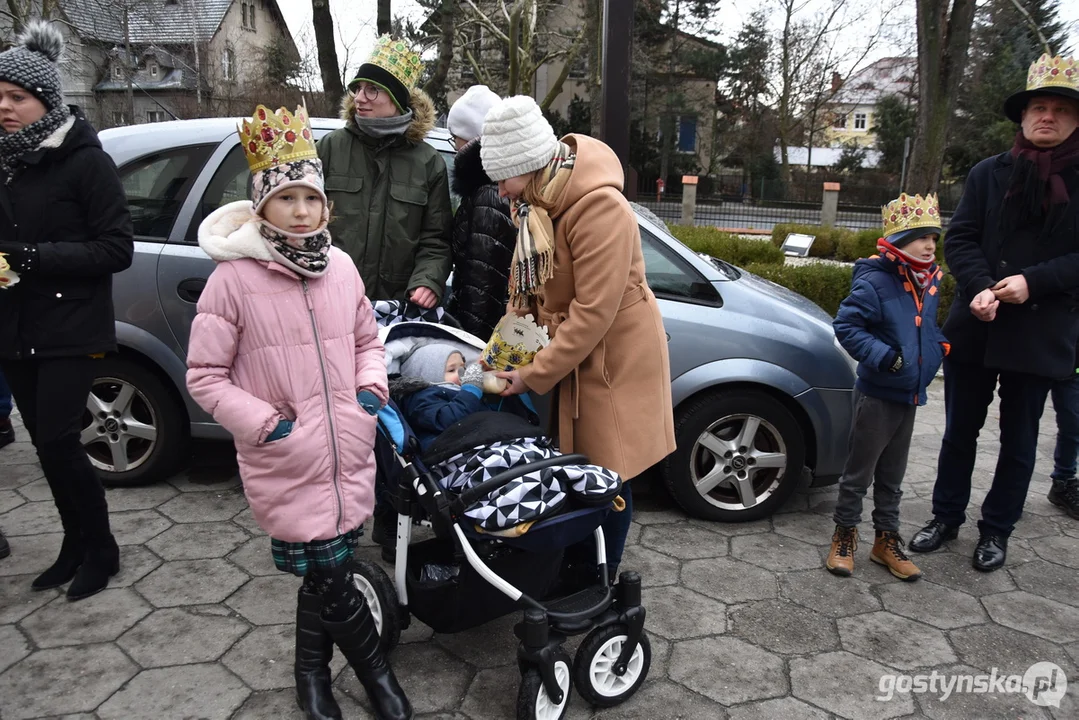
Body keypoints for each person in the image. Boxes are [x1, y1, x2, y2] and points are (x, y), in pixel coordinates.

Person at [186, 103, 411, 720]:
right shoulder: (232, 282)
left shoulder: (339, 268)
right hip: (287, 455)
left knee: (325, 576)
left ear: (326, 206)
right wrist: (268, 424)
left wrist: (370, 392)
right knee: (333, 576)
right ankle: (376, 675)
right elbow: (205, 376)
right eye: (288, 199)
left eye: (312, 198)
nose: (303, 211)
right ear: (263, 206)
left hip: (348, 451)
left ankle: (311, 676)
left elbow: (368, 341)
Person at [480, 96, 676, 578]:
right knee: (579, 469)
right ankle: (578, 561)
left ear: (526, 166)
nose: (500, 191)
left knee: (610, 473)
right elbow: (523, 293)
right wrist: (500, 355)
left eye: (503, 177)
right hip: (577, 353)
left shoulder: (598, 207)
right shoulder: (534, 205)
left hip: (615, 359)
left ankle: (598, 579)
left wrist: (531, 374)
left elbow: (593, 313)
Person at [909, 52, 1079, 572]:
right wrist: (980, 286)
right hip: (976, 325)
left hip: (1040, 331)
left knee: (1020, 440)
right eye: (1037, 107)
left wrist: (1033, 282)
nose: (1046, 116)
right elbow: (959, 236)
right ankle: (945, 516)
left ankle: (997, 529)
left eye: (1059, 109)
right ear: (1023, 117)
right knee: (960, 429)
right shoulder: (989, 173)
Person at [0, 22, 133, 600]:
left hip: (71, 324)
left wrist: (28, 257)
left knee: (58, 439)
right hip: (13, 326)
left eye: (16, 97)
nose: (3, 107)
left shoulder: (85, 161)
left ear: (46, 101)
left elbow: (115, 249)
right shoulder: (6, 164)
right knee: (44, 443)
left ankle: (100, 547)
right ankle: (73, 542)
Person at [826, 193, 948, 581]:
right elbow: (846, 326)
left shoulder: (929, 282)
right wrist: (886, 358)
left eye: (934, 238)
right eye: (921, 237)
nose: (930, 245)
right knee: (858, 474)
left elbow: (927, 328)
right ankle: (844, 535)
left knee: (893, 475)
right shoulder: (876, 281)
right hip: (878, 395)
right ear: (898, 240)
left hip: (909, 395)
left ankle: (886, 540)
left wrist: (938, 348)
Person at [317, 34, 451, 308]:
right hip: (331, 301)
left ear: (396, 99)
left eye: (371, 90)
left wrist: (428, 280)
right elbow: (302, 223)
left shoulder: (428, 162)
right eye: (357, 88)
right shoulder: (330, 148)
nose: (359, 98)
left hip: (397, 307)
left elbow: (436, 241)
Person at [446, 85, 517, 339]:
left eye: (455, 136)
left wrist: (472, 344)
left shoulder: (488, 194)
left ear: (471, 138)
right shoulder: (490, 189)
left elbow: (483, 285)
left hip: (482, 335)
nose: (454, 144)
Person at [392, 342, 533, 450]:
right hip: (457, 451)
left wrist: (498, 396)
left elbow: (492, 417)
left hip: (500, 440)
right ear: (428, 374)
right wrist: (471, 390)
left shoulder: (466, 393)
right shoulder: (421, 398)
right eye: (452, 369)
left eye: (463, 368)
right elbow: (446, 422)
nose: (462, 374)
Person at [1048, 365, 1079, 519]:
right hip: (1034, 364)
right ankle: (1011, 495)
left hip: (1073, 366)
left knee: (1073, 425)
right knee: (1021, 431)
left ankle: (1063, 482)